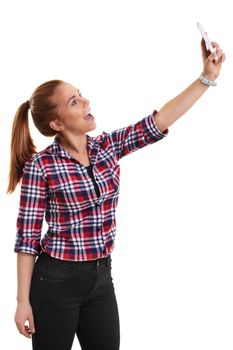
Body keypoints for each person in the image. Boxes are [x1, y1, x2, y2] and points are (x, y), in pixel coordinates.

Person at [7, 37, 225, 350]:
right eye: (74, 102)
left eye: (80, 95)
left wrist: (206, 78)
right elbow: (27, 239)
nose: (86, 102)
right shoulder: (41, 167)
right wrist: (22, 301)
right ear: (56, 123)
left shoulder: (107, 147)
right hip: (55, 281)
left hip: (100, 279)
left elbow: (158, 122)